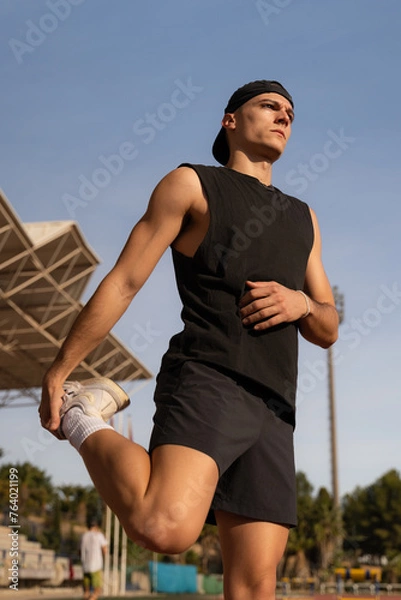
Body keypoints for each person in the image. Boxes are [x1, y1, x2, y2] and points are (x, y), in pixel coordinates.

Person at [40, 80, 339, 600]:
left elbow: (328, 326)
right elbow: (125, 281)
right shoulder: (191, 184)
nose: (283, 117)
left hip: (275, 406)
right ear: (230, 120)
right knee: (164, 526)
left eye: (290, 112)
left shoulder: (303, 217)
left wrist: (303, 304)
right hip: (210, 377)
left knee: (253, 587)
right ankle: (82, 414)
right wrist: (60, 368)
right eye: (269, 106)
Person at [80, 520, 107, 600]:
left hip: (85, 565)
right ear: (96, 527)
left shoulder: (84, 536)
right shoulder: (99, 535)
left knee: (86, 592)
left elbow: (79, 551)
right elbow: (105, 550)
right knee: (97, 590)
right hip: (96, 565)